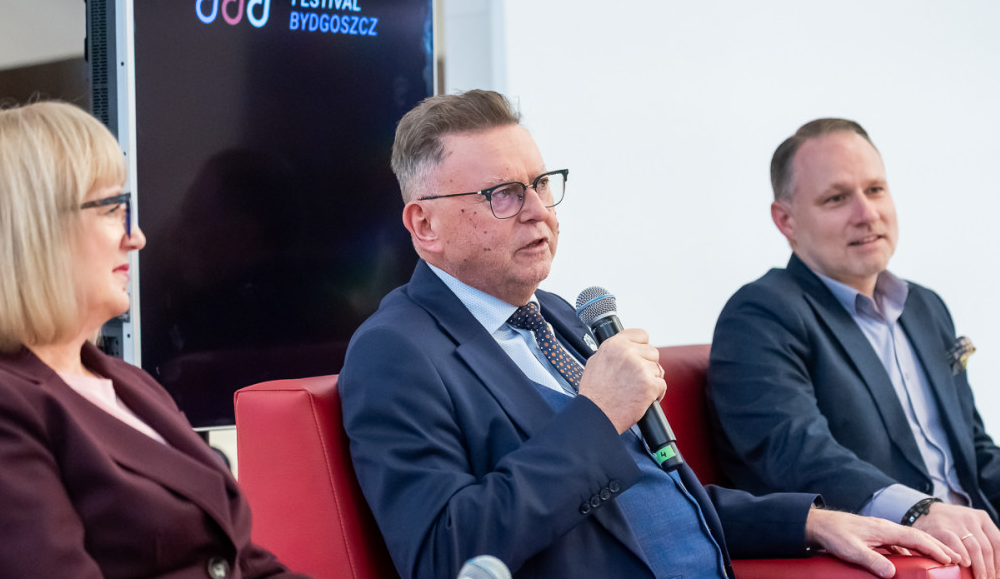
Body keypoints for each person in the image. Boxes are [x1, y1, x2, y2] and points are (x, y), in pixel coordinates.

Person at [338, 91, 959, 579]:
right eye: (503, 194)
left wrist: (811, 521)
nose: (538, 210)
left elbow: (651, 493)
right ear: (425, 224)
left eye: (542, 183)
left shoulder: (554, 314)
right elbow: (447, 555)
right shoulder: (397, 351)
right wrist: (597, 415)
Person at [707, 118, 1000, 579]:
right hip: (900, 557)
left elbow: (974, 454)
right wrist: (919, 511)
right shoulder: (761, 314)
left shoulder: (924, 307)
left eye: (875, 189)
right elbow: (796, 454)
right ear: (786, 220)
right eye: (836, 198)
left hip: (987, 541)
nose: (867, 213)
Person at [0, 102, 310, 579]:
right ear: (28, 231)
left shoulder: (130, 383)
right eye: (113, 208)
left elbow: (244, 561)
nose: (137, 236)